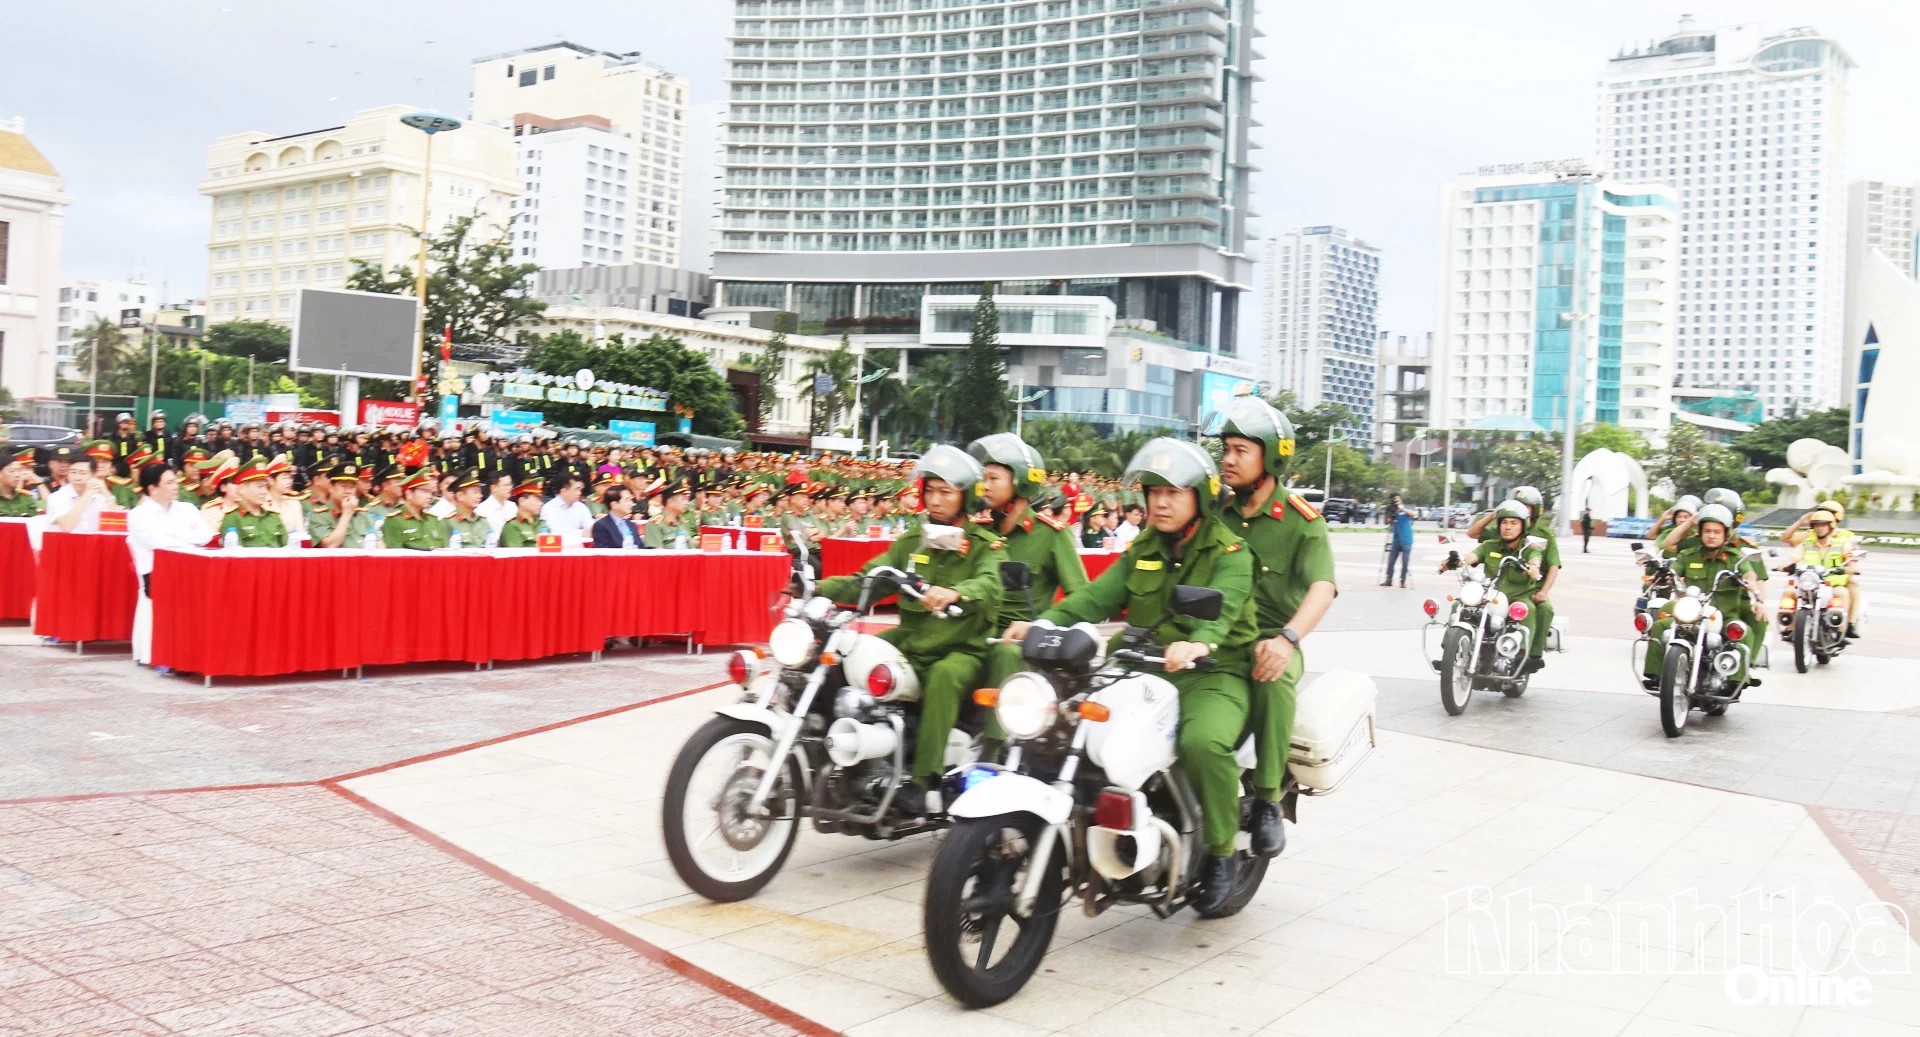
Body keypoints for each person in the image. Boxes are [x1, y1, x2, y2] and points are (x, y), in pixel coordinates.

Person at [1005, 439, 1258, 913]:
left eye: (1174, 493)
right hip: (1141, 666)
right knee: (1066, 723)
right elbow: (1095, 598)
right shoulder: (1144, 547)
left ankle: (1222, 853)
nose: (1160, 502)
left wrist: (1199, 641)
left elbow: (1223, 608)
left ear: (1200, 497)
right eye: (1153, 492)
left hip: (1212, 673)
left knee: (1203, 744)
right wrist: (1045, 623)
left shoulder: (1231, 552)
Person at [816, 446, 1006, 816]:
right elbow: (868, 580)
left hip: (961, 648)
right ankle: (842, 758)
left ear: (964, 498)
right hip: (911, 640)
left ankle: (924, 782)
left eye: (946, 492)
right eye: (930, 490)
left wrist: (957, 592)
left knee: (944, 676)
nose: (935, 500)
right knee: (848, 650)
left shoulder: (986, 546)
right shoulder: (912, 542)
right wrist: (818, 588)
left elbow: (990, 585)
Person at [1213, 398, 1337, 859]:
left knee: (1273, 678)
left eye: (1241, 450)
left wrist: (1288, 640)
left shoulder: (1303, 523)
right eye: (1226, 448)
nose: (1228, 458)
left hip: (1271, 636)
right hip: (1213, 636)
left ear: (1271, 456)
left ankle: (1267, 799)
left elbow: (1322, 588)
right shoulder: (1214, 513)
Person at [969, 433, 1090, 694]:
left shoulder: (1051, 535)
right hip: (974, 633)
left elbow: (1082, 598)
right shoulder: (977, 532)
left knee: (1006, 654)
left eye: (993, 478)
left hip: (1021, 642)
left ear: (1021, 484)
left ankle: (997, 736)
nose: (985, 486)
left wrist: (1040, 626)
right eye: (983, 478)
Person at [1642, 503, 1766, 689]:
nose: (1711, 535)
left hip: (1724, 614)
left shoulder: (1735, 557)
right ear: (1700, 532)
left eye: (1717, 532)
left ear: (1725, 534)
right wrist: (1663, 576)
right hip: (1692, 612)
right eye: (1707, 531)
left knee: (1743, 632)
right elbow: (1673, 570)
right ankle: (1656, 674)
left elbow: (1749, 573)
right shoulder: (1688, 555)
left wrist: (1752, 585)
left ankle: (1737, 680)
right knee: (1660, 626)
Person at [1445, 500, 1552, 675]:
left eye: (1513, 523)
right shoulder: (1490, 545)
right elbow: (1472, 556)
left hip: (1520, 596)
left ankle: (1523, 659)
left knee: (1528, 609)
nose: (1507, 527)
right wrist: (1456, 561)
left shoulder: (1529, 547)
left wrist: (1533, 567)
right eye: (1504, 522)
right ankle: (1449, 654)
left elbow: (1536, 558)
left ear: (1522, 526)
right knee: (1459, 605)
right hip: (1491, 595)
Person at [127, 463, 213, 666]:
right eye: (169, 482)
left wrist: (175, 534)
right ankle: (165, 654)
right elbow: (157, 544)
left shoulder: (187, 508)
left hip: (190, 569)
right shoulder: (139, 514)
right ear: (153, 488)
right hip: (157, 573)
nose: (176, 486)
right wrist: (185, 536)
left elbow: (205, 535)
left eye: (176, 481)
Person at [1783, 499, 1862, 638]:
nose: (1820, 523)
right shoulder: (1810, 536)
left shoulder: (1845, 537)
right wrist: (1786, 565)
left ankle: (1847, 626)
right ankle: (1790, 627)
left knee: (1851, 587)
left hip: (1834, 579)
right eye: (1818, 516)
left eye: (1827, 514)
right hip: (1812, 579)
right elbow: (1788, 544)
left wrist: (1850, 567)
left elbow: (1851, 555)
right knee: (1790, 590)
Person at [220, 460, 290, 547]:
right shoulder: (232, 518)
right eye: (259, 486)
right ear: (242, 489)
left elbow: (289, 551)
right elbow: (234, 557)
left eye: (266, 487)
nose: (264, 492)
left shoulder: (274, 517)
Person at [382, 471, 450, 550]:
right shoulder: (395, 520)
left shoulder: (433, 519)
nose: (430, 496)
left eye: (430, 492)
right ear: (409, 494)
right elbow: (395, 557)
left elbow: (444, 550)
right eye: (424, 491)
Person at [47, 455, 111, 532]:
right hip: (66, 542)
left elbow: (116, 524)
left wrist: (106, 493)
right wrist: (87, 495)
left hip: (95, 542)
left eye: (83, 473)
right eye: (73, 472)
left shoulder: (100, 497)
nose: (77, 478)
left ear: (93, 475)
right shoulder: (57, 497)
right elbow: (67, 527)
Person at [644, 479, 699, 548]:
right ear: (670, 502)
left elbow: (691, 544)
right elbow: (657, 555)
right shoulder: (654, 524)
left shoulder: (682, 521)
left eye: (686, 499)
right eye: (683, 499)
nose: (686, 503)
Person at [444, 469, 491, 548]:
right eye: (475, 492)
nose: (480, 496)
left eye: (480, 492)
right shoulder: (448, 522)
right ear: (460, 496)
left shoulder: (483, 521)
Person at [539, 475, 594, 544]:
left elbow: (590, 529)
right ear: (563, 491)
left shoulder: (581, 507)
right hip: (556, 547)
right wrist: (581, 533)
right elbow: (553, 531)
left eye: (580, 490)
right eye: (576, 489)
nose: (579, 493)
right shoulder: (548, 508)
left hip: (578, 547)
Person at [498, 479, 547, 547]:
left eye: (541, 500)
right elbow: (516, 555)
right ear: (522, 501)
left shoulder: (542, 524)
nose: (541, 503)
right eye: (537, 499)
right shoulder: (512, 526)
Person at [0, 448, 44, 515]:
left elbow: (46, 515)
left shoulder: (25, 497)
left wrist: (40, 484)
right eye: (12, 471)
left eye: (19, 470)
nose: (17, 475)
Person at [1383, 493, 1414, 588]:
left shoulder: (1407, 507)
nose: (1396, 502)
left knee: (1405, 562)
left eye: (1397, 500)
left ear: (1401, 499)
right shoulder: (1392, 510)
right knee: (1391, 561)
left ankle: (1402, 580)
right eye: (1394, 500)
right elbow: (1386, 522)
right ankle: (1389, 579)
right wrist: (1388, 512)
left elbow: (1413, 514)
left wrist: (1402, 508)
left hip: (1407, 540)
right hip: (1396, 540)